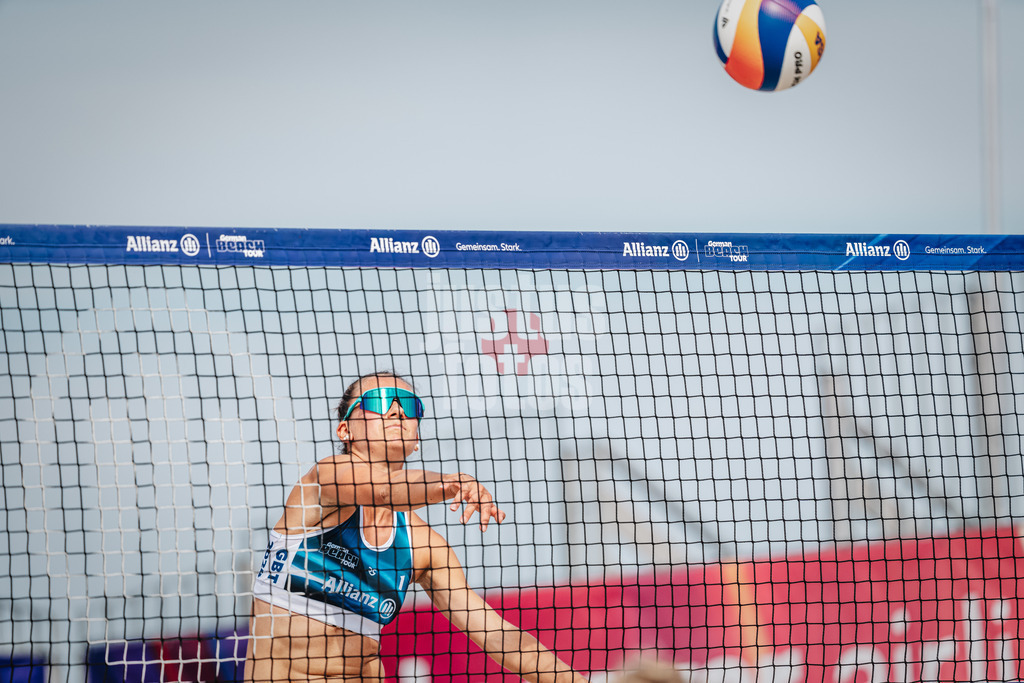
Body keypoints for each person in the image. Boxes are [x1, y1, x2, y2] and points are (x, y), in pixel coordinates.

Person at [244, 371, 588, 683]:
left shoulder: (423, 545)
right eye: (379, 401)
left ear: (416, 435)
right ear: (345, 429)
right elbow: (385, 489)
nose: (396, 411)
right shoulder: (324, 481)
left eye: (408, 404)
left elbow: (497, 635)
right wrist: (450, 486)